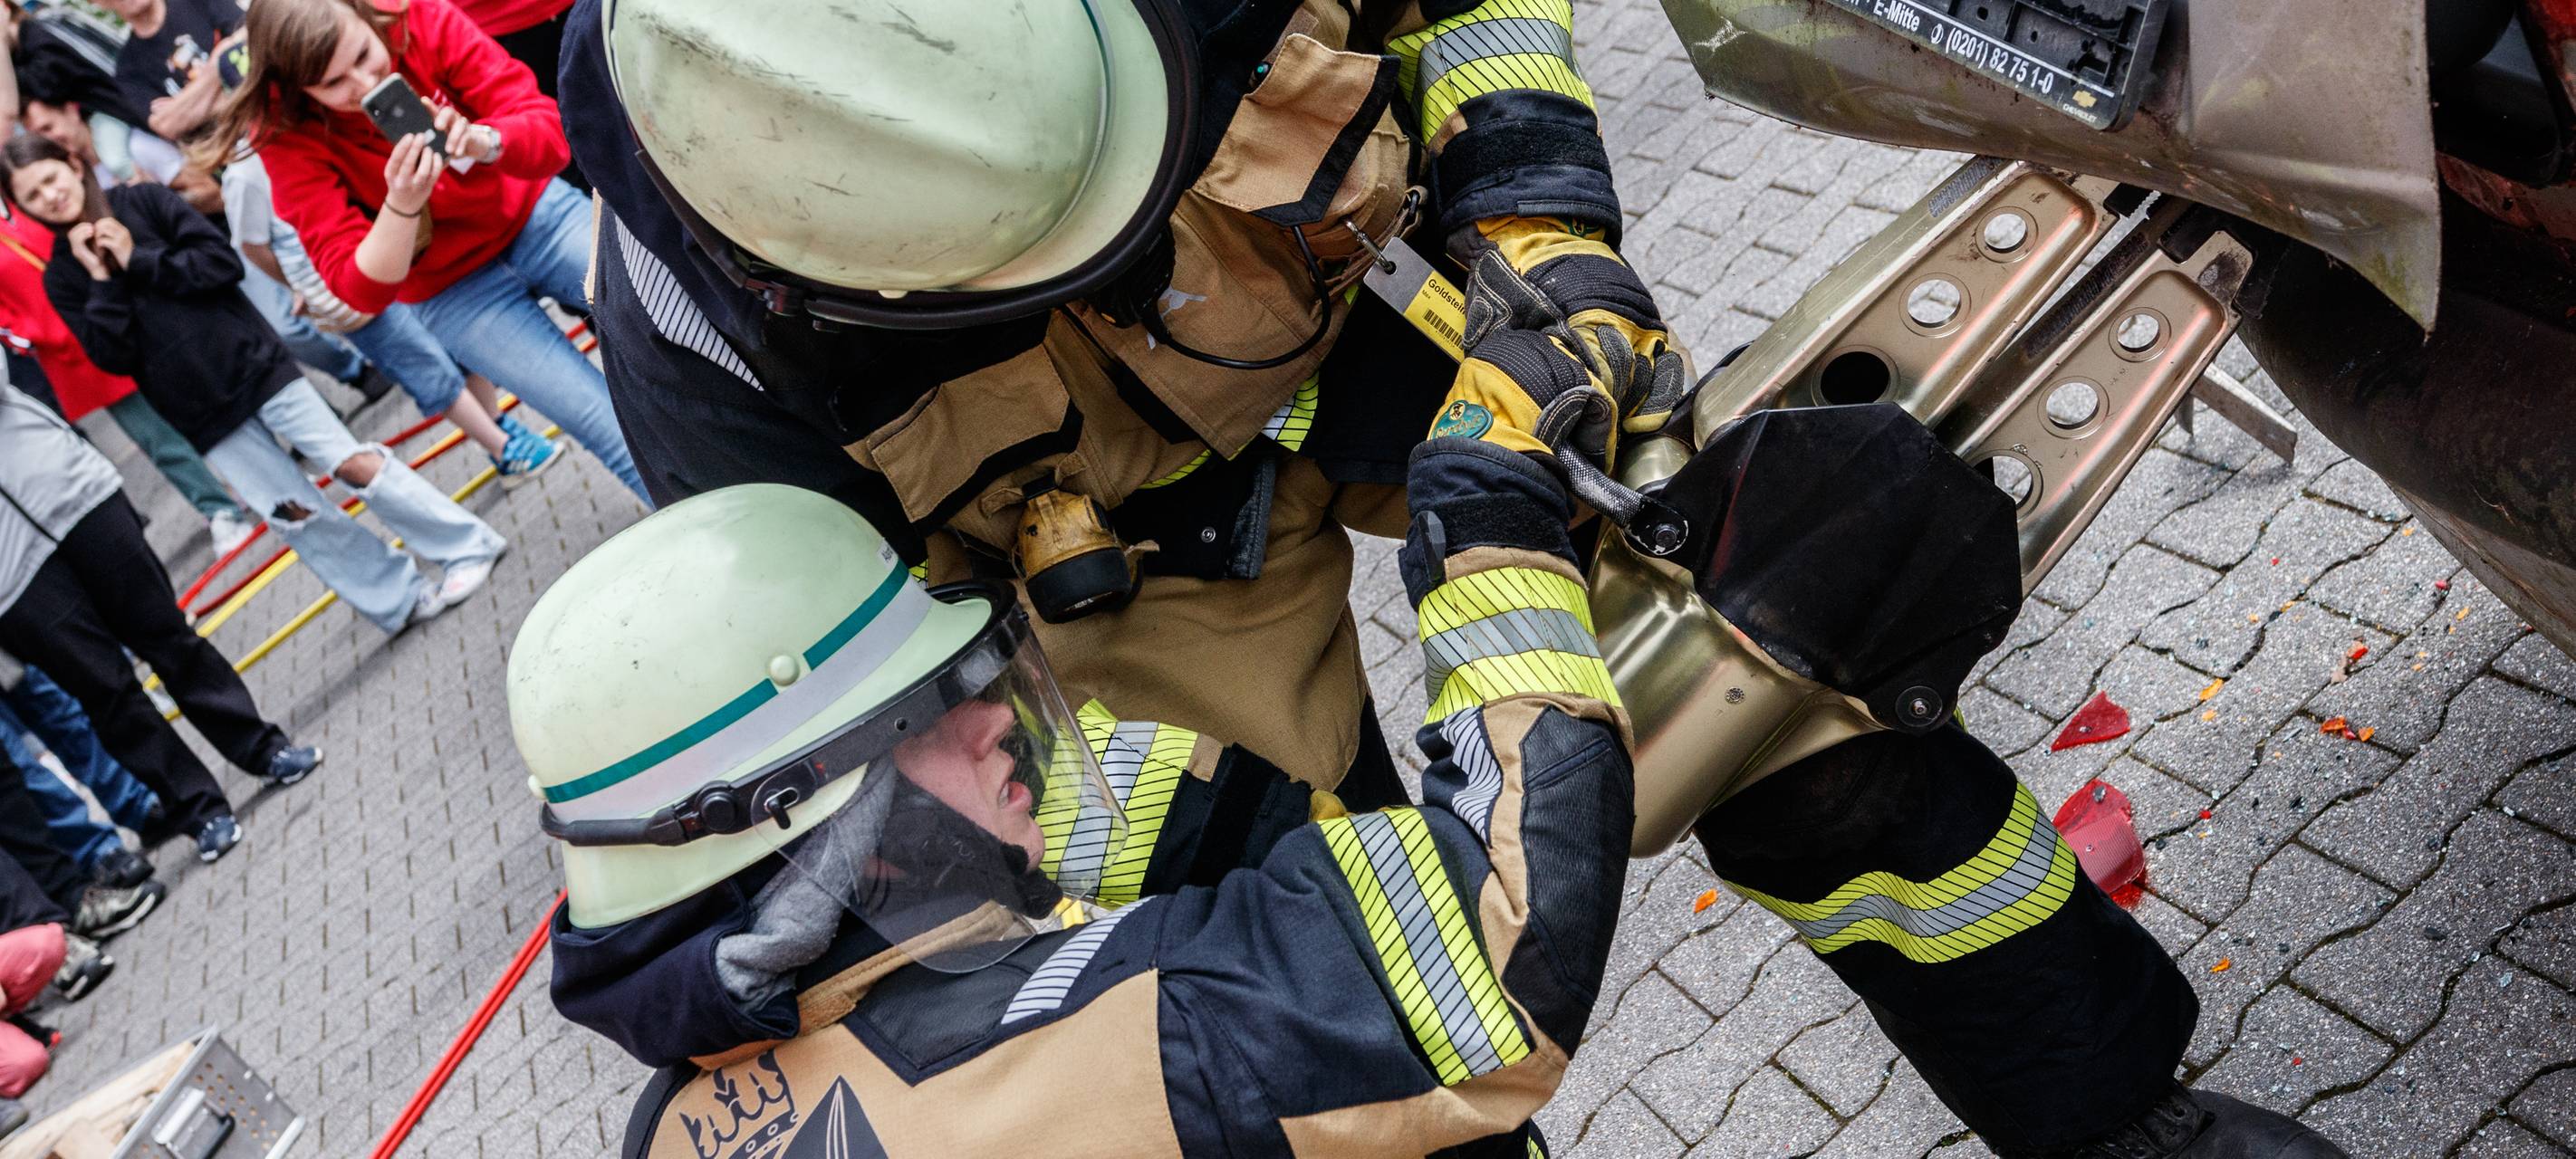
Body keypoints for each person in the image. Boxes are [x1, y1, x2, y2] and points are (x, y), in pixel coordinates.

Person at [522, 467, 1633, 1155]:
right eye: (923, 712)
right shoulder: (1113, 1042)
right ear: (811, 835)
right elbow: (1500, 933)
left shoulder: (674, 1127)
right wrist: (1496, 536)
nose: (990, 721)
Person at [12, 132, 508, 635]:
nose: (50, 196)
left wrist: (137, 258)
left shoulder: (143, 201)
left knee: (351, 463)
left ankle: (467, 546)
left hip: (256, 365)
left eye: (50, 178)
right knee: (295, 514)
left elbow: (220, 265)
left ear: (73, 164)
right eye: (32, 195)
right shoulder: (62, 277)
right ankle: (397, 599)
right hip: (199, 413)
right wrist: (103, 280)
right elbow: (111, 356)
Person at [207, 0, 649, 503]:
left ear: (369, 18)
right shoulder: (282, 134)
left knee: (670, 318)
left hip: (532, 214)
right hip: (451, 290)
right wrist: (401, 205)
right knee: (606, 425)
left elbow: (549, 134)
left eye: (363, 55)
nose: (363, 83)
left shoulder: (419, 18)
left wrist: (483, 141)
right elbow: (358, 288)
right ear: (298, 88)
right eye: (333, 83)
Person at [0, 374, 321, 861]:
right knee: (105, 692)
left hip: (74, 496)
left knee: (167, 637)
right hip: (12, 576)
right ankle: (198, 810)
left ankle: (261, 747)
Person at [222, 149, 559, 479]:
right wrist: (298, 285)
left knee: (458, 351)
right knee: (426, 369)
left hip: (388, 261)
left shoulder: (295, 143)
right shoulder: (244, 176)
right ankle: (503, 449)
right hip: (346, 292)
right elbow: (253, 246)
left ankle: (500, 427)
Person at [0, 169, 256, 553]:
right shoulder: (29, 196)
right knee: (157, 438)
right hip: (75, 353)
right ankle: (218, 507)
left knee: (207, 392)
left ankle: (257, 477)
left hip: (127, 310)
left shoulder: (29, 189)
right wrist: (36, 337)